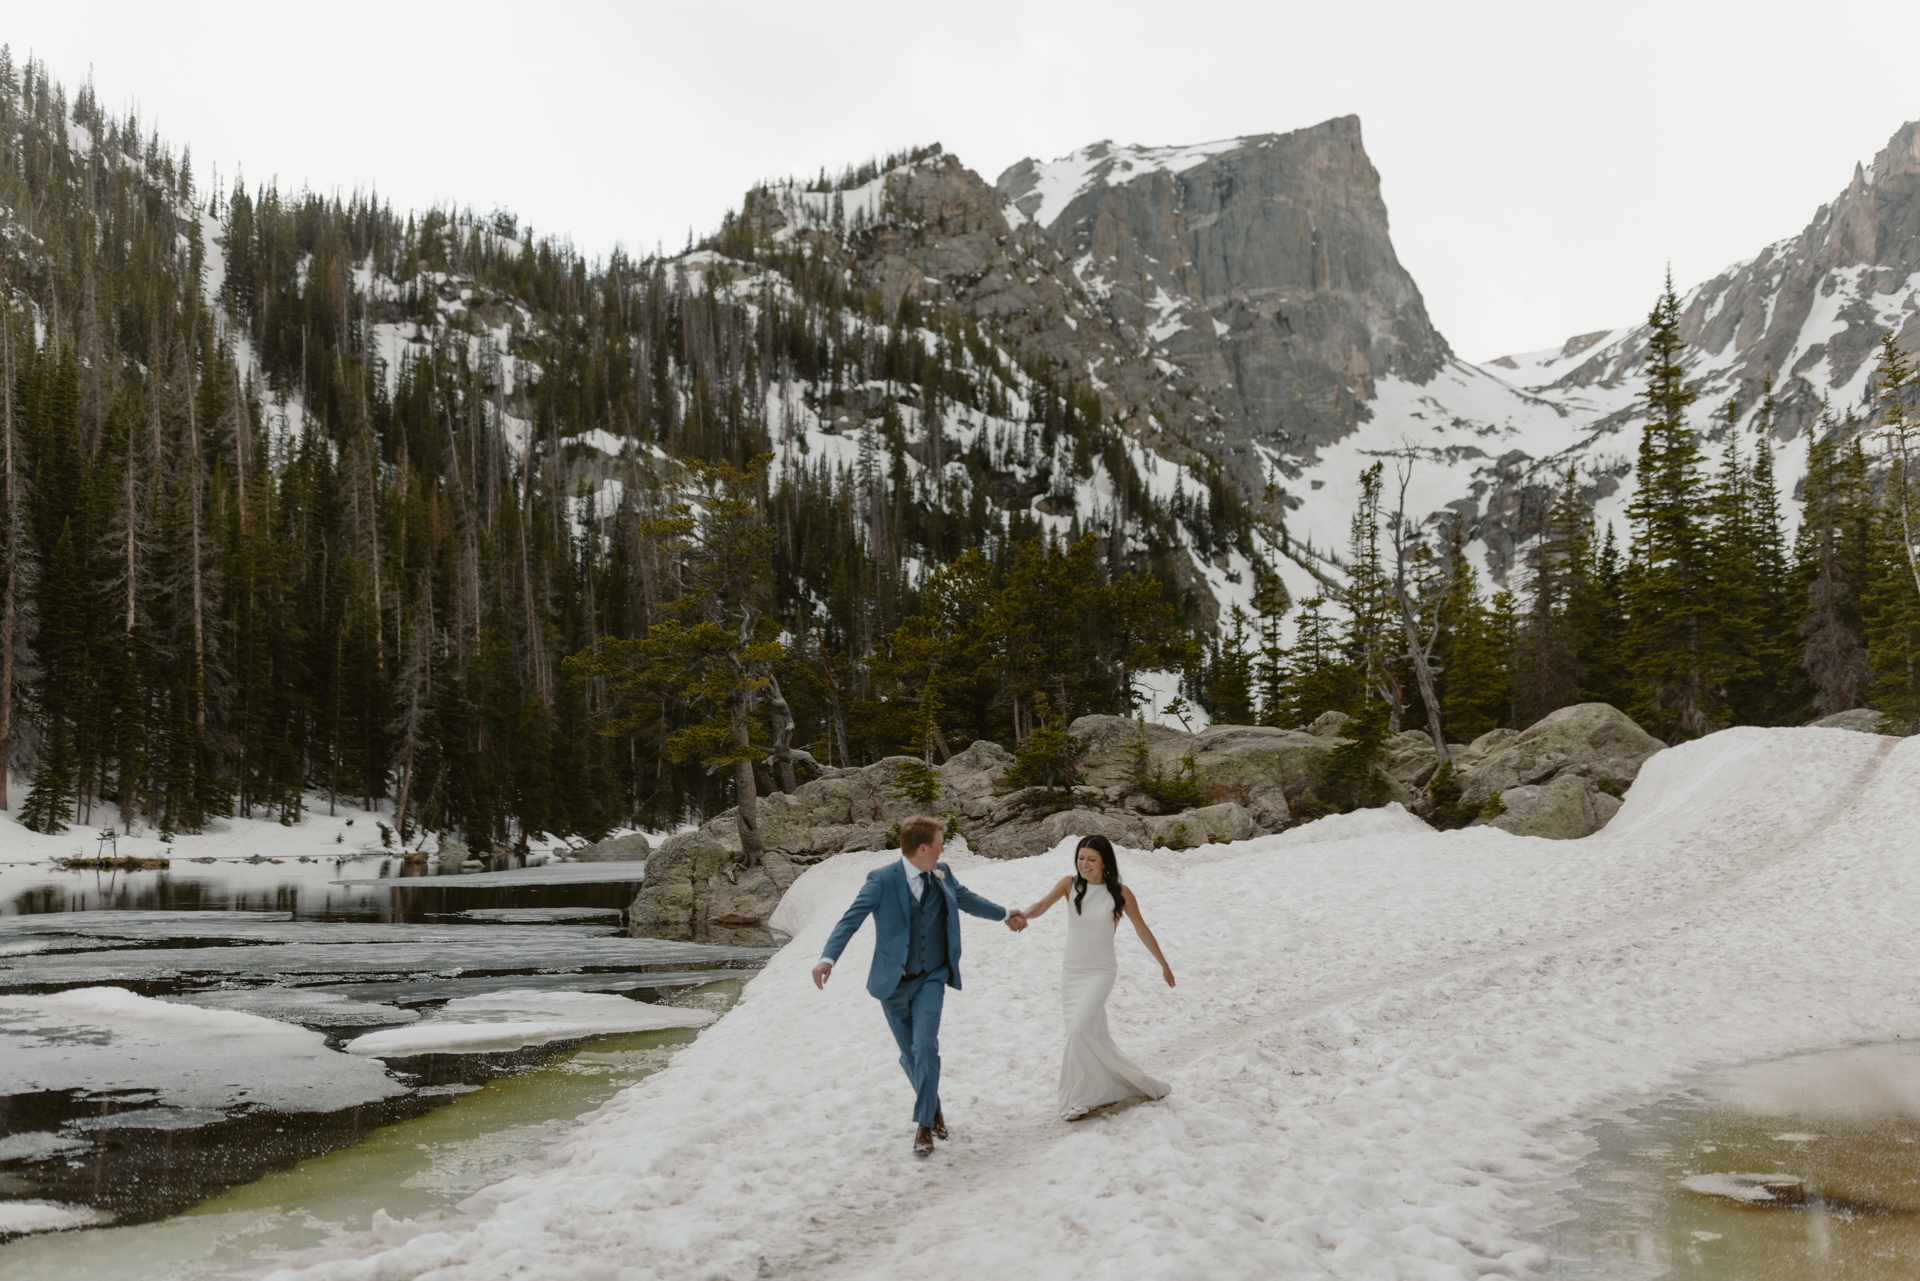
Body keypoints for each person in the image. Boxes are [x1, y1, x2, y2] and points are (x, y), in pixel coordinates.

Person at [812, 816, 1026, 1156]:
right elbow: (850, 920)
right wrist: (828, 959)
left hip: (932, 976)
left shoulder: (943, 874)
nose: (944, 849)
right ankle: (934, 1107)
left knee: (925, 1047)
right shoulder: (882, 880)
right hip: (892, 983)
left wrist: (1005, 913)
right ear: (923, 848)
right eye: (940, 843)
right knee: (909, 1055)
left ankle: (924, 1126)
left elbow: (967, 900)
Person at [1019, 834, 1173, 1120]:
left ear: (1104, 862)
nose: (1084, 864)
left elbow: (1142, 929)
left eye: (1091, 859)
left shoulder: (1121, 893)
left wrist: (1163, 964)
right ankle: (1108, 1087)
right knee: (1087, 1035)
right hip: (1072, 971)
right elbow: (1041, 905)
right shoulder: (1069, 884)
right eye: (1080, 858)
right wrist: (1024, 915)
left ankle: (1077, 1098)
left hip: (1101, 971)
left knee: (1079, 1031)